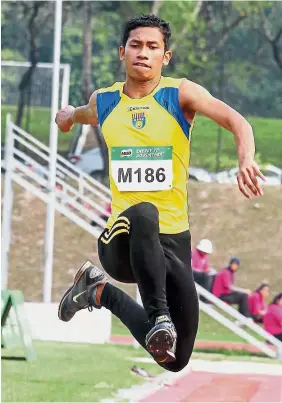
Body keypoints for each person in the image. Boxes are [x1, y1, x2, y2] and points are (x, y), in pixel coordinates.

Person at [55, 14, 265, 372]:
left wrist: (245, 159)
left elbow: (237, 121)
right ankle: (158, 316)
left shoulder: (179, 94)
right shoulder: (105, 101)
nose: (143, 53)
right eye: (136, 45)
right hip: (121, 241)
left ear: (165, 57)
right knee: (144, 211)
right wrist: (68, 117)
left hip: (173, 242)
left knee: (175, 358)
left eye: (153, 47)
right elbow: (82, 113)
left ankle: (97, 292)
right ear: (123, 52)